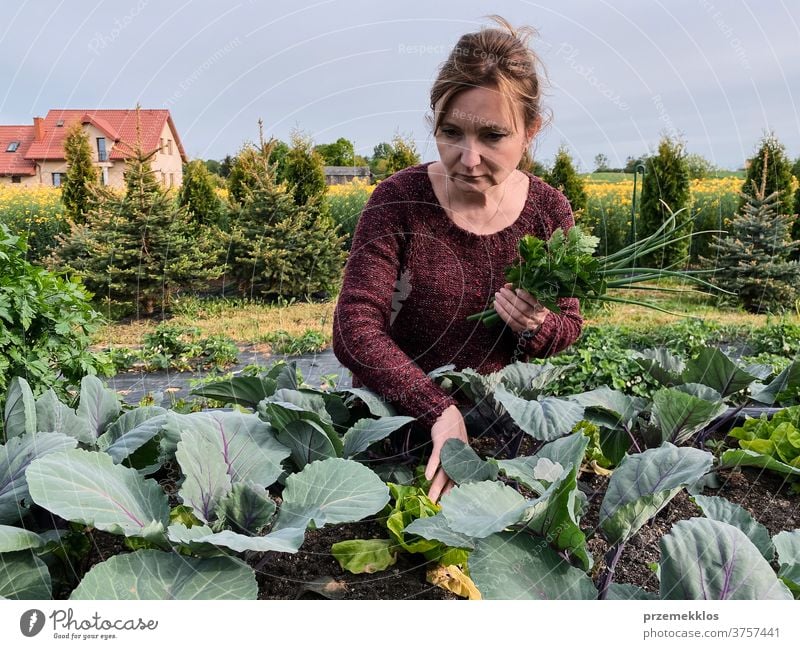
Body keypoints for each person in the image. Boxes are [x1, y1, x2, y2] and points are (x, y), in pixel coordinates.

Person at [332, 15, 582, 503]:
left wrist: (537, 326)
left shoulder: (548, 210)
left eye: (493, 136)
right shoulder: (398, 200)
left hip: (497, 436)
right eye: (452, 133)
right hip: (394, 426)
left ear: (530, 130)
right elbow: (354, 327)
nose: (469, 158)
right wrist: (436, 409)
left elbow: (569, 327)